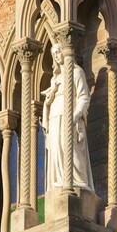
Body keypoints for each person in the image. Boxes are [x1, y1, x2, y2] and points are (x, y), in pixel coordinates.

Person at [42, 44, 95, 190]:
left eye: (59, 51)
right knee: (56, 149)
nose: (57, 55)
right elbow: (48, 102)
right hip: (54, 115)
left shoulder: (76, 72)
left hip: (69, 116)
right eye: (55, 54)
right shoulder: (55, 79)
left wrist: (77, 115)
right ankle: (60, 180)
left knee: (71, 149)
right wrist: (49, 99)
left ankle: (76, 181)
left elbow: (84, 96)